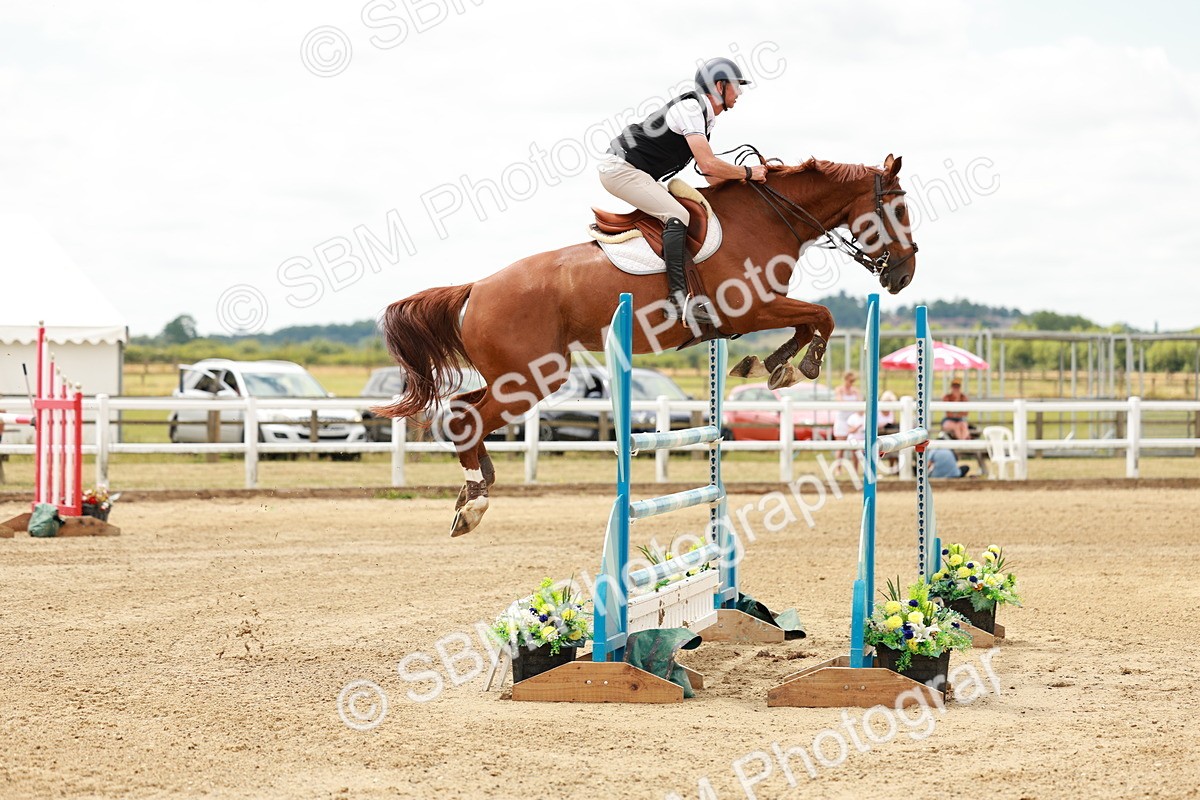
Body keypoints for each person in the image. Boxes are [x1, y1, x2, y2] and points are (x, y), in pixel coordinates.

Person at [599, 57, 768, 325]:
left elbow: (711, 178)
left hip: (634, 171)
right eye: (737, 86)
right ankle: (677, 300)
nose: (740, 93)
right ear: (720, 86)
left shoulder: (705, 118)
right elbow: (708, 164)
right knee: (677, 214)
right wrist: (748, 172)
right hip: (620, 170)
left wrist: (750, 189)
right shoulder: (691, 108)